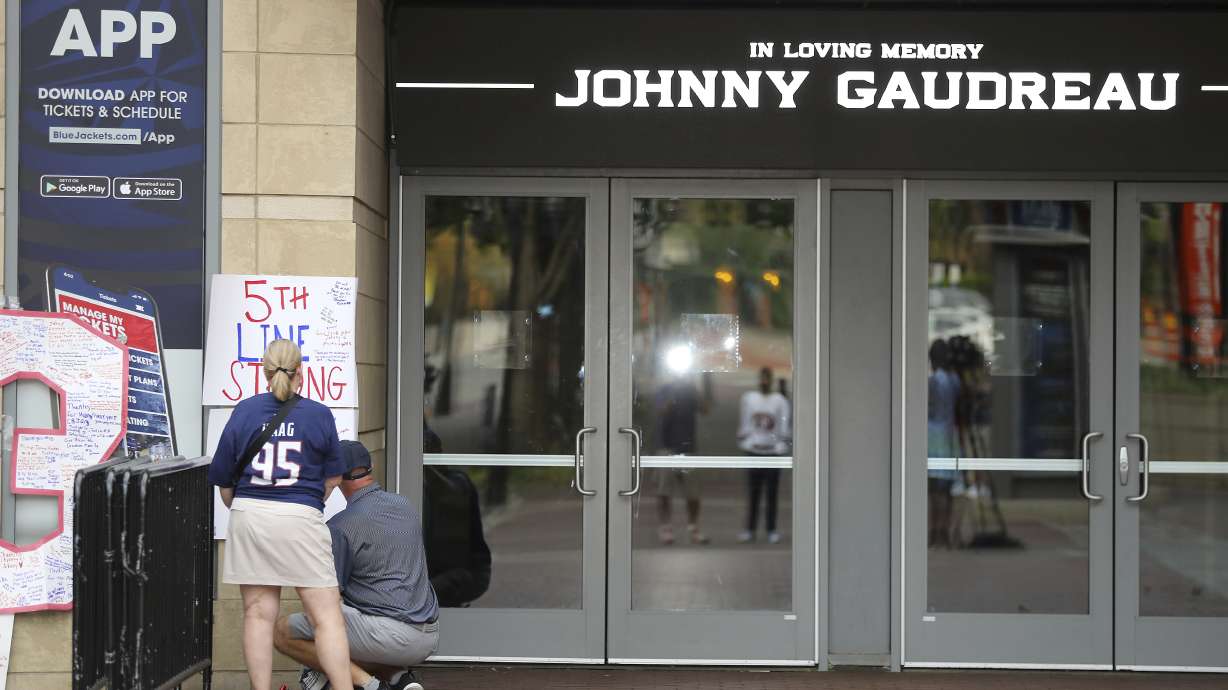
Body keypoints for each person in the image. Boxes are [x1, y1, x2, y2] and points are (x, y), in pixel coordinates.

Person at [207, 339, 352, 690]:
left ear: (264, 371)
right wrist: (312, 501)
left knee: (258, 614)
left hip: (249, 515)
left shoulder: (243, 411)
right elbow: (334, 476)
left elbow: (224, 481)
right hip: (301, 515)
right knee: (327, 617)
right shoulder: (318, 414)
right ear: (302, 372)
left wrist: (246, 507)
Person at [275, 440, 440, 690]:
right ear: (370, 466)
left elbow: (327, 599)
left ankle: (373, 686)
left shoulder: (340, 527)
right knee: (349, 631)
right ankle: (399, 679)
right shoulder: (405, 506)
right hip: (428, 635)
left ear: (336, 475)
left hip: (389, 636)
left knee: (286, 631)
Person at [654, 373, 710, 545]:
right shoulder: (665, 389)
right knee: (664, 490)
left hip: (688, 447)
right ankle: (665, 528)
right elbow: (661, 409)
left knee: (693, 492)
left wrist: (696, 388)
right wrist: (673, 393)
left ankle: (693, 528)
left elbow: (705, 410)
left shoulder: (691, 390)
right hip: (666, 445)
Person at [738, 367, 791, 544]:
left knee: (771, 494)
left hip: (772, 453)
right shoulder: (749, 399)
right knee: (753, 492)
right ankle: (750, 528)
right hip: (754, 451)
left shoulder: (779, 401)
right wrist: (746, 440)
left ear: (771, 380)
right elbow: (745, 424)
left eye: (767, 378)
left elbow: (784, 428)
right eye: (762, 378)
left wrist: (780, 445)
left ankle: (771, 529)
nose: (764, 382)